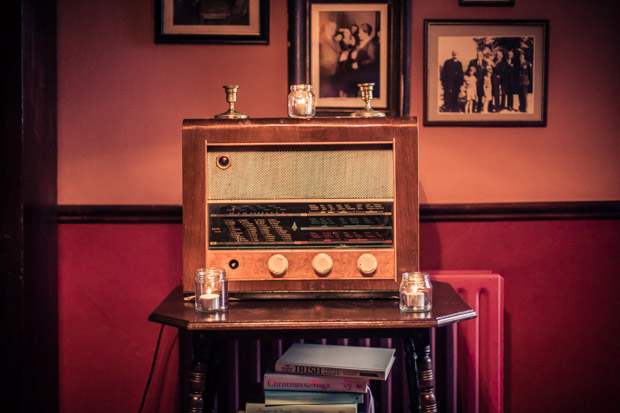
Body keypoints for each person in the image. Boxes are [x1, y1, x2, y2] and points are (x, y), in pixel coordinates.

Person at [350, 23, 379, 92]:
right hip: (360, 73)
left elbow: (372, 60)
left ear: (366, 33)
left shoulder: (371, 44)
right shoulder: (364, 42)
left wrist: (358, 64)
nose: (358, 34)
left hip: (365, 74)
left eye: (360, 33)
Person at [319, 21, 341, 97]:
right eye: (332, 28)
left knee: (334, 94)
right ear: (326, 28)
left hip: (335, 71)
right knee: (326, 94)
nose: (334, 31)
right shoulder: (320, 39)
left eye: (335, 29)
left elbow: (338, 52)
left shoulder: (335, 40)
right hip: (325, 71)